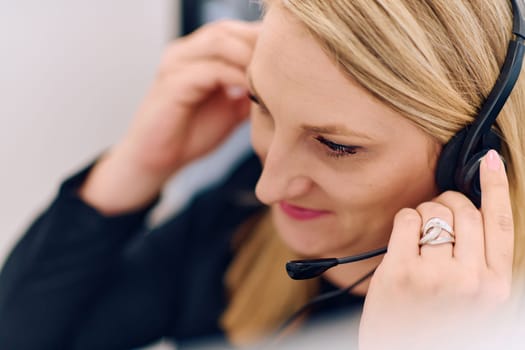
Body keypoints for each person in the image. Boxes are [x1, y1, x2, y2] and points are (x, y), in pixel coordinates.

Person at [1, 0, 524, 349]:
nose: (268, 185)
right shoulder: (242, 215)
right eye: (262, 105)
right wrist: (139, 164)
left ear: (473, 159)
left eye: (337, 146)